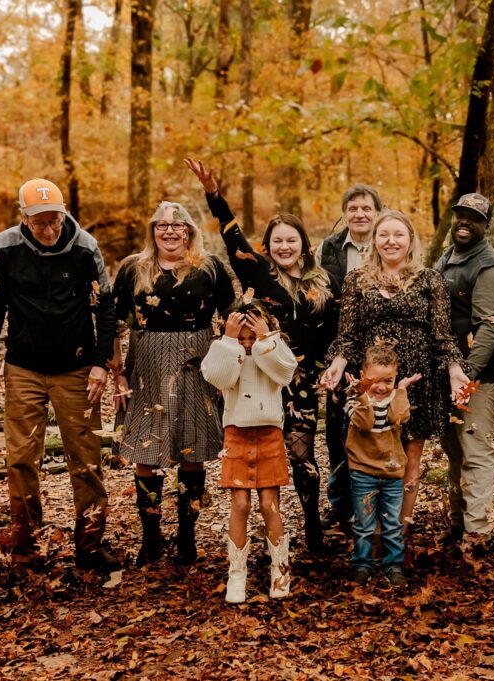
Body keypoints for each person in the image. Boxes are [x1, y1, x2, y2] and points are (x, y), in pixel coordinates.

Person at [186, 158, 336, 553]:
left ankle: (313, 530)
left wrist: (333, 368)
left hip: (301, 382)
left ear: (304, 243)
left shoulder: (322, 284)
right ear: (268, 245)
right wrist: (214, 195)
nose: (285, 246)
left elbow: (332, 331)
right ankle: (270, 531)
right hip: (261, 382)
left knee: (304, 458)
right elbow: (232, 237)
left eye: (292, 240)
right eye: (278, 240)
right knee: (261, 462)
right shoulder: (258, 274)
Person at [0, 178, 119, 572]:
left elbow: (104, 308)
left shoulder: (85, 248)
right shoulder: (4, 248)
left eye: (55, 220)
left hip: (75, 367)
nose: (49, 229)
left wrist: (99, 363)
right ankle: (26, 544)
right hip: (23, 365)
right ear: (23, 218)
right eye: (39, 222)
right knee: (21, 457)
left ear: (64, 214)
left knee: (86, 456)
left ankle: (90, 544)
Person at [321, 210, 469, 533]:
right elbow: (347, 336)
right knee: (370, 457)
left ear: (410, 240)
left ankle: (398, 533)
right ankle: (371, 532)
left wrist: (456, 370)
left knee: (409, 459)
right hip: (372, 382)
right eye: (384, 234)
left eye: (398, 234)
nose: (391, 241)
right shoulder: (356, 281)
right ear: (374, 240)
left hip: (417, 381)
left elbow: (441, 335)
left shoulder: (430, 280)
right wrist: (337, 364)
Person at [110, 201, 234, 566]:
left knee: (191, 450)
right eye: (161, 225)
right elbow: (114, 321)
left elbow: (232, 315)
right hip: (145, 361)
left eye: (177, 225)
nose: (169, 231)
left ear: (189, 230)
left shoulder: (209, 268)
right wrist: (116, 370)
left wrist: (234, 358)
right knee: (145, 453)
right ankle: (150, 537)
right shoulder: (133, 267)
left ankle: (186, 535)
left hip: (196, 361)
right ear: (152, 230)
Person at [201, 303, 298, 603]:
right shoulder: (227, 350)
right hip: (237, 434)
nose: (247, 345)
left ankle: (280, 569)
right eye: (242, 339)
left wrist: (265, 340)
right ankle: (237, 573)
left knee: (270, 504)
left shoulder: (273, 349)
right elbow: (218, 377)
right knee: (240, 504)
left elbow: (285, 372)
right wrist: (229, 342)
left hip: (269, 433)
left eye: (250, 338)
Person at [433, 193, 494, 542]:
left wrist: (466, 376)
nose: (465, 222)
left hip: (479, 376)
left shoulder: (490, 267)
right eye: (460, 216)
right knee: (454, 450)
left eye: (474, 218)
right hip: (448, 373)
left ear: (485, 226)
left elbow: (489, 326)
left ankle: (477, 532)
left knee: (475, 448)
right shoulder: (447, 257)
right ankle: (457, 520)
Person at [316, 184, 384, 531]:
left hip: (380, 350)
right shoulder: (327, 248)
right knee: (337, 431)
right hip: (338, 348)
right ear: (345, 212)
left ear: (377, 212)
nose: (360, 214)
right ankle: (340, 503)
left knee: (377, 424)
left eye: (366, 208)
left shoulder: (387, 243)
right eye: (353, 208)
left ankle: (374, 503)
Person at [344, 343, 420, 586]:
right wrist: (361, 395)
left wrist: (400, 391)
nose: (381, 386)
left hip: (392, 472)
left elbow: (399, 417)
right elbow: (364, 424)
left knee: (391, 523)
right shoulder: (355, 399)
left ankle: (393, 564)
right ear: (364, 375)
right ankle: (362, 565)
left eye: (388, 380)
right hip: (363, 472)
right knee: (364, 523)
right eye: (374, 380)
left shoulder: (396, 397)